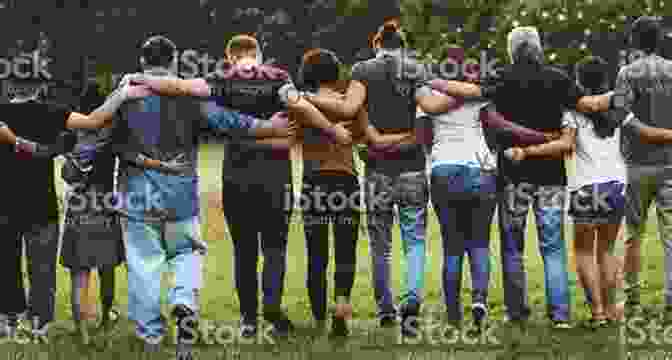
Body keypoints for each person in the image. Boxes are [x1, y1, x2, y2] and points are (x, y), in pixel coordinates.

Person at [126, 33, 336, 339]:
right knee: (275, 249)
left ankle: (249, 319)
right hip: (276, 176)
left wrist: (139, 78)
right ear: (258, 54)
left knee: (244, 251)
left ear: (231, 57)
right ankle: (273, 311)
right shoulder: (278, 77)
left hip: (236, 176)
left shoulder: (221, 78)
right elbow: (299, 105)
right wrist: (330, 129)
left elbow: (181, 87)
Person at [108, 35, 293, 357]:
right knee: (186, 253)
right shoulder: (190, 97)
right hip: (180, 193)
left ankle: (151, 336)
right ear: (174, 61)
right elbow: (228, 121)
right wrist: (270, 127)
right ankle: (183, 301)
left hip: (137, 194)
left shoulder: (125, 94)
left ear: (143, 62)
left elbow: (103, 135)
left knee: (144, 263)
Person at [301, 23, 444, 336]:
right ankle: (413, 299)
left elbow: (350, 109)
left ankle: (385, 311)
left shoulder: (363, 71)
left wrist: (302, 98)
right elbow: (430, 109)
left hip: (377, 169)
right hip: (412, 168)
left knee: (381, 245)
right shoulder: (415, 69)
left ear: (377, 43)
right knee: (415, 240)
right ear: (403, 45)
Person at [0, 51, 147, 340]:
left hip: (4, 205)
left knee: (6, 263)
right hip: (40, 205)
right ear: (40, 85)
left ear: (9, 84)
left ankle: (7, 319)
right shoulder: (53, 112)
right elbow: (94, 121)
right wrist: (121, 93)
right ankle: (40, 322)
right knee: (41, 268)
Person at [297, 48, 410, 337]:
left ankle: (319, 315)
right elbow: (374, 140)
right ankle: (341, 312)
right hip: (345, 183)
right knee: (345, 254)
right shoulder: (350, 105)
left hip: (314, 184)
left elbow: (289, 136)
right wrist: (412, 135)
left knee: (317, 254)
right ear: (336, 74)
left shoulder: (301, 105)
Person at [564, 56, 626, 327]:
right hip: (615, 186)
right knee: (607, 251)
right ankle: (612, 309)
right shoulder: (619, 111)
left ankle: (598, 313)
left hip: (586, 188)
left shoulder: (572, 112)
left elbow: (567, 146)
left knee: (584, 253)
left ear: (579, 81)